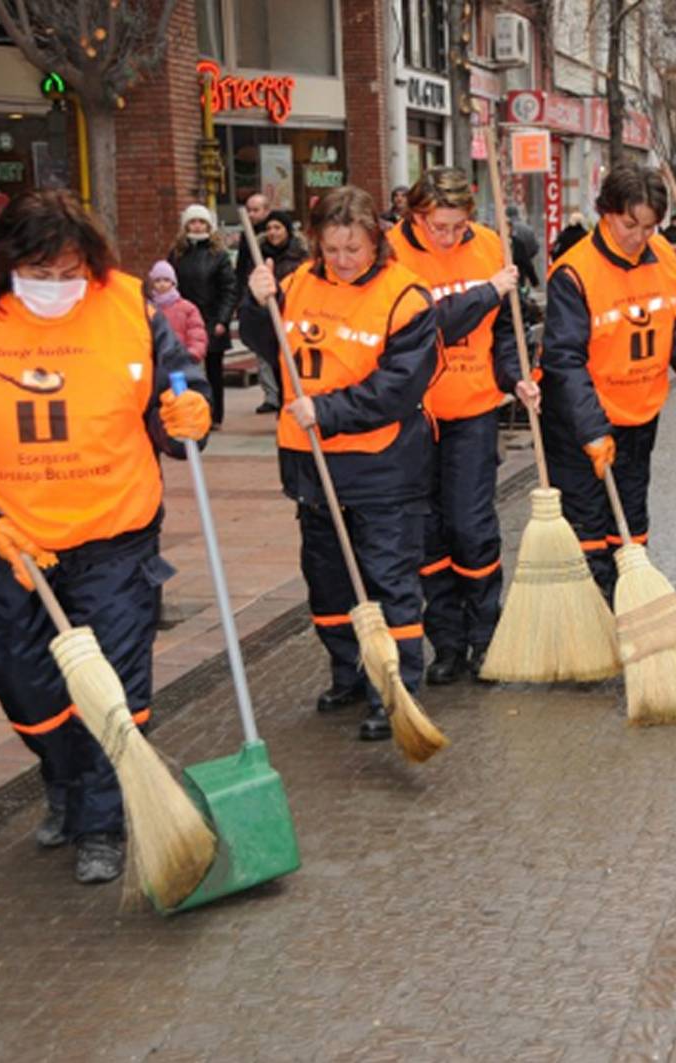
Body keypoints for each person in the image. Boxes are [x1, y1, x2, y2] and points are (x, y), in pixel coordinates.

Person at [0, 189, 211, 883]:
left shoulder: (129, 307)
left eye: (68, 272)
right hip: (15, 542)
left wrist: (188, 409)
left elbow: (176, 385)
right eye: (38, 275)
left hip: (116, 532)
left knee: (115, 685)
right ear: (6, 264)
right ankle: (66, 779)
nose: (55, 288)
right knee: (19, 680)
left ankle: (103, 820)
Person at [240, 186, 437, 741]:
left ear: (377, 241)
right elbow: (266, 342)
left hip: (381, 467)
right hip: (311, 465)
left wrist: (325, 409)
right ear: (316, 243)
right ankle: (348, 671)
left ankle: (393, 691)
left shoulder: (406, 297)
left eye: (355, 248)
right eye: (332, 249)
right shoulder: (299, 282)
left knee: (387, 581)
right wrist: (257, 304)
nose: (344, 260)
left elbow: (398, 388)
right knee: (327, 582)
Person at [386, 167, 533, 684]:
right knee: (426, 534)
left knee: (470, 528)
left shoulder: (492, 245)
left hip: (473, 408)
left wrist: (517, 378)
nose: (447, 237)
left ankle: (485, 636)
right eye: (436, 227)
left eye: (456, 226)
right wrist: (487, 293)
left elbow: (506, 333)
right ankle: (445, 643)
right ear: (414, 215)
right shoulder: (391, 254)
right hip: (412, 416)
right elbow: (425, 325)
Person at [541, 163, 676, 597]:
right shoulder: (573, 272)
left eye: (650, 227)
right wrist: (592, 429)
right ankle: (591, 623)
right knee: (588, 528)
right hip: (582, 426)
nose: (638, 237)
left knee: (631, 524)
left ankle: (628, 607)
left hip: (640, 416)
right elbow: (563, 359)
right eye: (629, 224)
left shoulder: (666, 259)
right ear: (605, 212)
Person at [168, 204, 237, 426]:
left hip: (211, 318)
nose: (197, 227)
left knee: (214, 370)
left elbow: (229, 288)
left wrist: (222, 319)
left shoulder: (218, 255)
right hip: (184, 319)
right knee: (186, 368)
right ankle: (190, 411)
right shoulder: (177, 254)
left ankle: (215, 414)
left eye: (201, 222)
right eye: (193, 222)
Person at [247, 210, 310, 413]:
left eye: (277, 228)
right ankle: (280, 404)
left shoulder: (300, 255)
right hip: (270, 319)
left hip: (297, 320)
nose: (273, 233)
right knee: (275, 367)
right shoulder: (258, 255)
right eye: (269, 228)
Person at [233, 193, 276, 411]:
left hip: (277, 297)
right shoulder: (246, 237)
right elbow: (241, 268)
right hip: (254, 296)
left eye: (256, 210)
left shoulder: (276, 234)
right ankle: (271, 396)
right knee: (261, 349)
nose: (251, 214)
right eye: (248, 210)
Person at [148, 260, 208, 361]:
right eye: (157, 280)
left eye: (166, 280)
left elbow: (196, 334)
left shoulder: (187, 308)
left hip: (180, 360)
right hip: (154, 361)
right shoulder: (148, 308)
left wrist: (192, 353)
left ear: (173, 282)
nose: (162, 284)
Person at [507, 205, 542, 289]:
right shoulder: (528, 229)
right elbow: (535, 247)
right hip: (523, 268)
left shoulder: (506, 228)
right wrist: (528, 256)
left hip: (508, 269)